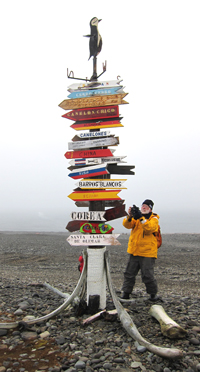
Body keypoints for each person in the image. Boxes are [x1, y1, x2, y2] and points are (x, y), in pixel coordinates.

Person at [121, 199, 159, 301]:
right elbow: (127, 225)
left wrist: (141, 218)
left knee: (147, 274)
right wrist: (129, 215)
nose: (144, 207)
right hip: (134, 251)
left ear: (150, 209)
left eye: (146, 206)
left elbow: (149, 228)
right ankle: (126, 293)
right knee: (129, 273)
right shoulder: (136, 218)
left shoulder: (154, 219)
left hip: (148, 252)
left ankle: (153, 294)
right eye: (143, 206)